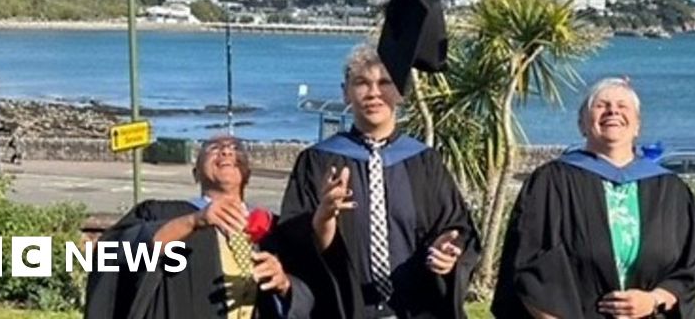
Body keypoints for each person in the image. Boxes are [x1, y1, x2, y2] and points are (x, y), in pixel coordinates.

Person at [277, 43, 480, 318]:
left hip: (414, 311)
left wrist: (448, 251)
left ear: (401, 92)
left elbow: (456, 227)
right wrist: (323, 218)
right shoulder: (317, 162)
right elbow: (294, 243)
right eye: (361, 83)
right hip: (343, 311)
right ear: (346, 93)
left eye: (385, 82)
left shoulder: (424, 161)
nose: (374, 93)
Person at [492, 78, 695, 319]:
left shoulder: (671, 190)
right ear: (582, 124)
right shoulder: (551, 182)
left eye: (622, 106)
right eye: (601, 105)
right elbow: (526, 264)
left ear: (637, 126)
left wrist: (654, 299)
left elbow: (692, 265)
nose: (613, 110)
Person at [84, 135, 308, 319]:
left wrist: (284, 284)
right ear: (196, 173)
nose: (227, 152)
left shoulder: (274, 228)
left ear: (248, 173)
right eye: (214, 147)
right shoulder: (162, 214)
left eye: (236, 148)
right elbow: (111, 253)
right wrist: (193, 221)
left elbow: (308, 294)